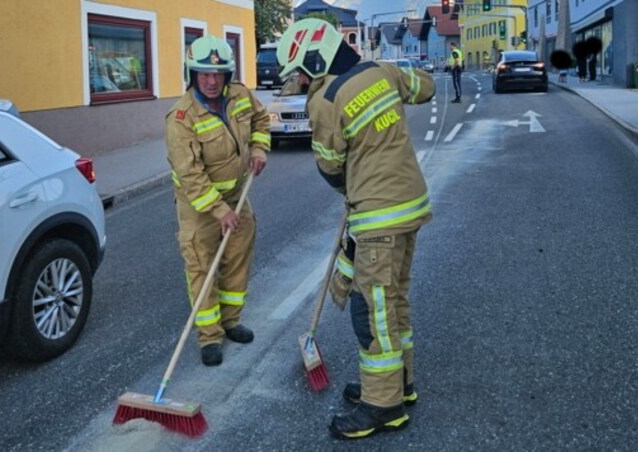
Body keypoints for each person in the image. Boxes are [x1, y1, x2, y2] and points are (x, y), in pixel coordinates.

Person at [277, 18, 435, 440]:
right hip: (411, 205)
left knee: (372, 309)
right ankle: (400, 384)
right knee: (394, 299)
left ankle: (383, 407)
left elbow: (330, 165)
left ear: (316, 58)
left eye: (303, 71)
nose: (303, 80)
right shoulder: (381, 71)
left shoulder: (326, 99)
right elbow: (426, 88)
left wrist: (354, 188)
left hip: (379, 217)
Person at [164, 35, 270, 366]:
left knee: (237, 255)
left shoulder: (239, 94)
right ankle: (209, 336)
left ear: (227, 75)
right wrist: (219, 210)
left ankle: (231, 321)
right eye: (204, 74)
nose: (212, 81)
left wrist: (258, 148)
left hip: (236, 195)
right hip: (199, 207)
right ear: (192, 74)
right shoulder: (181, 119)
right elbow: (191, 176)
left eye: (219, 74)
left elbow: (261, 120)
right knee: (202, 266)